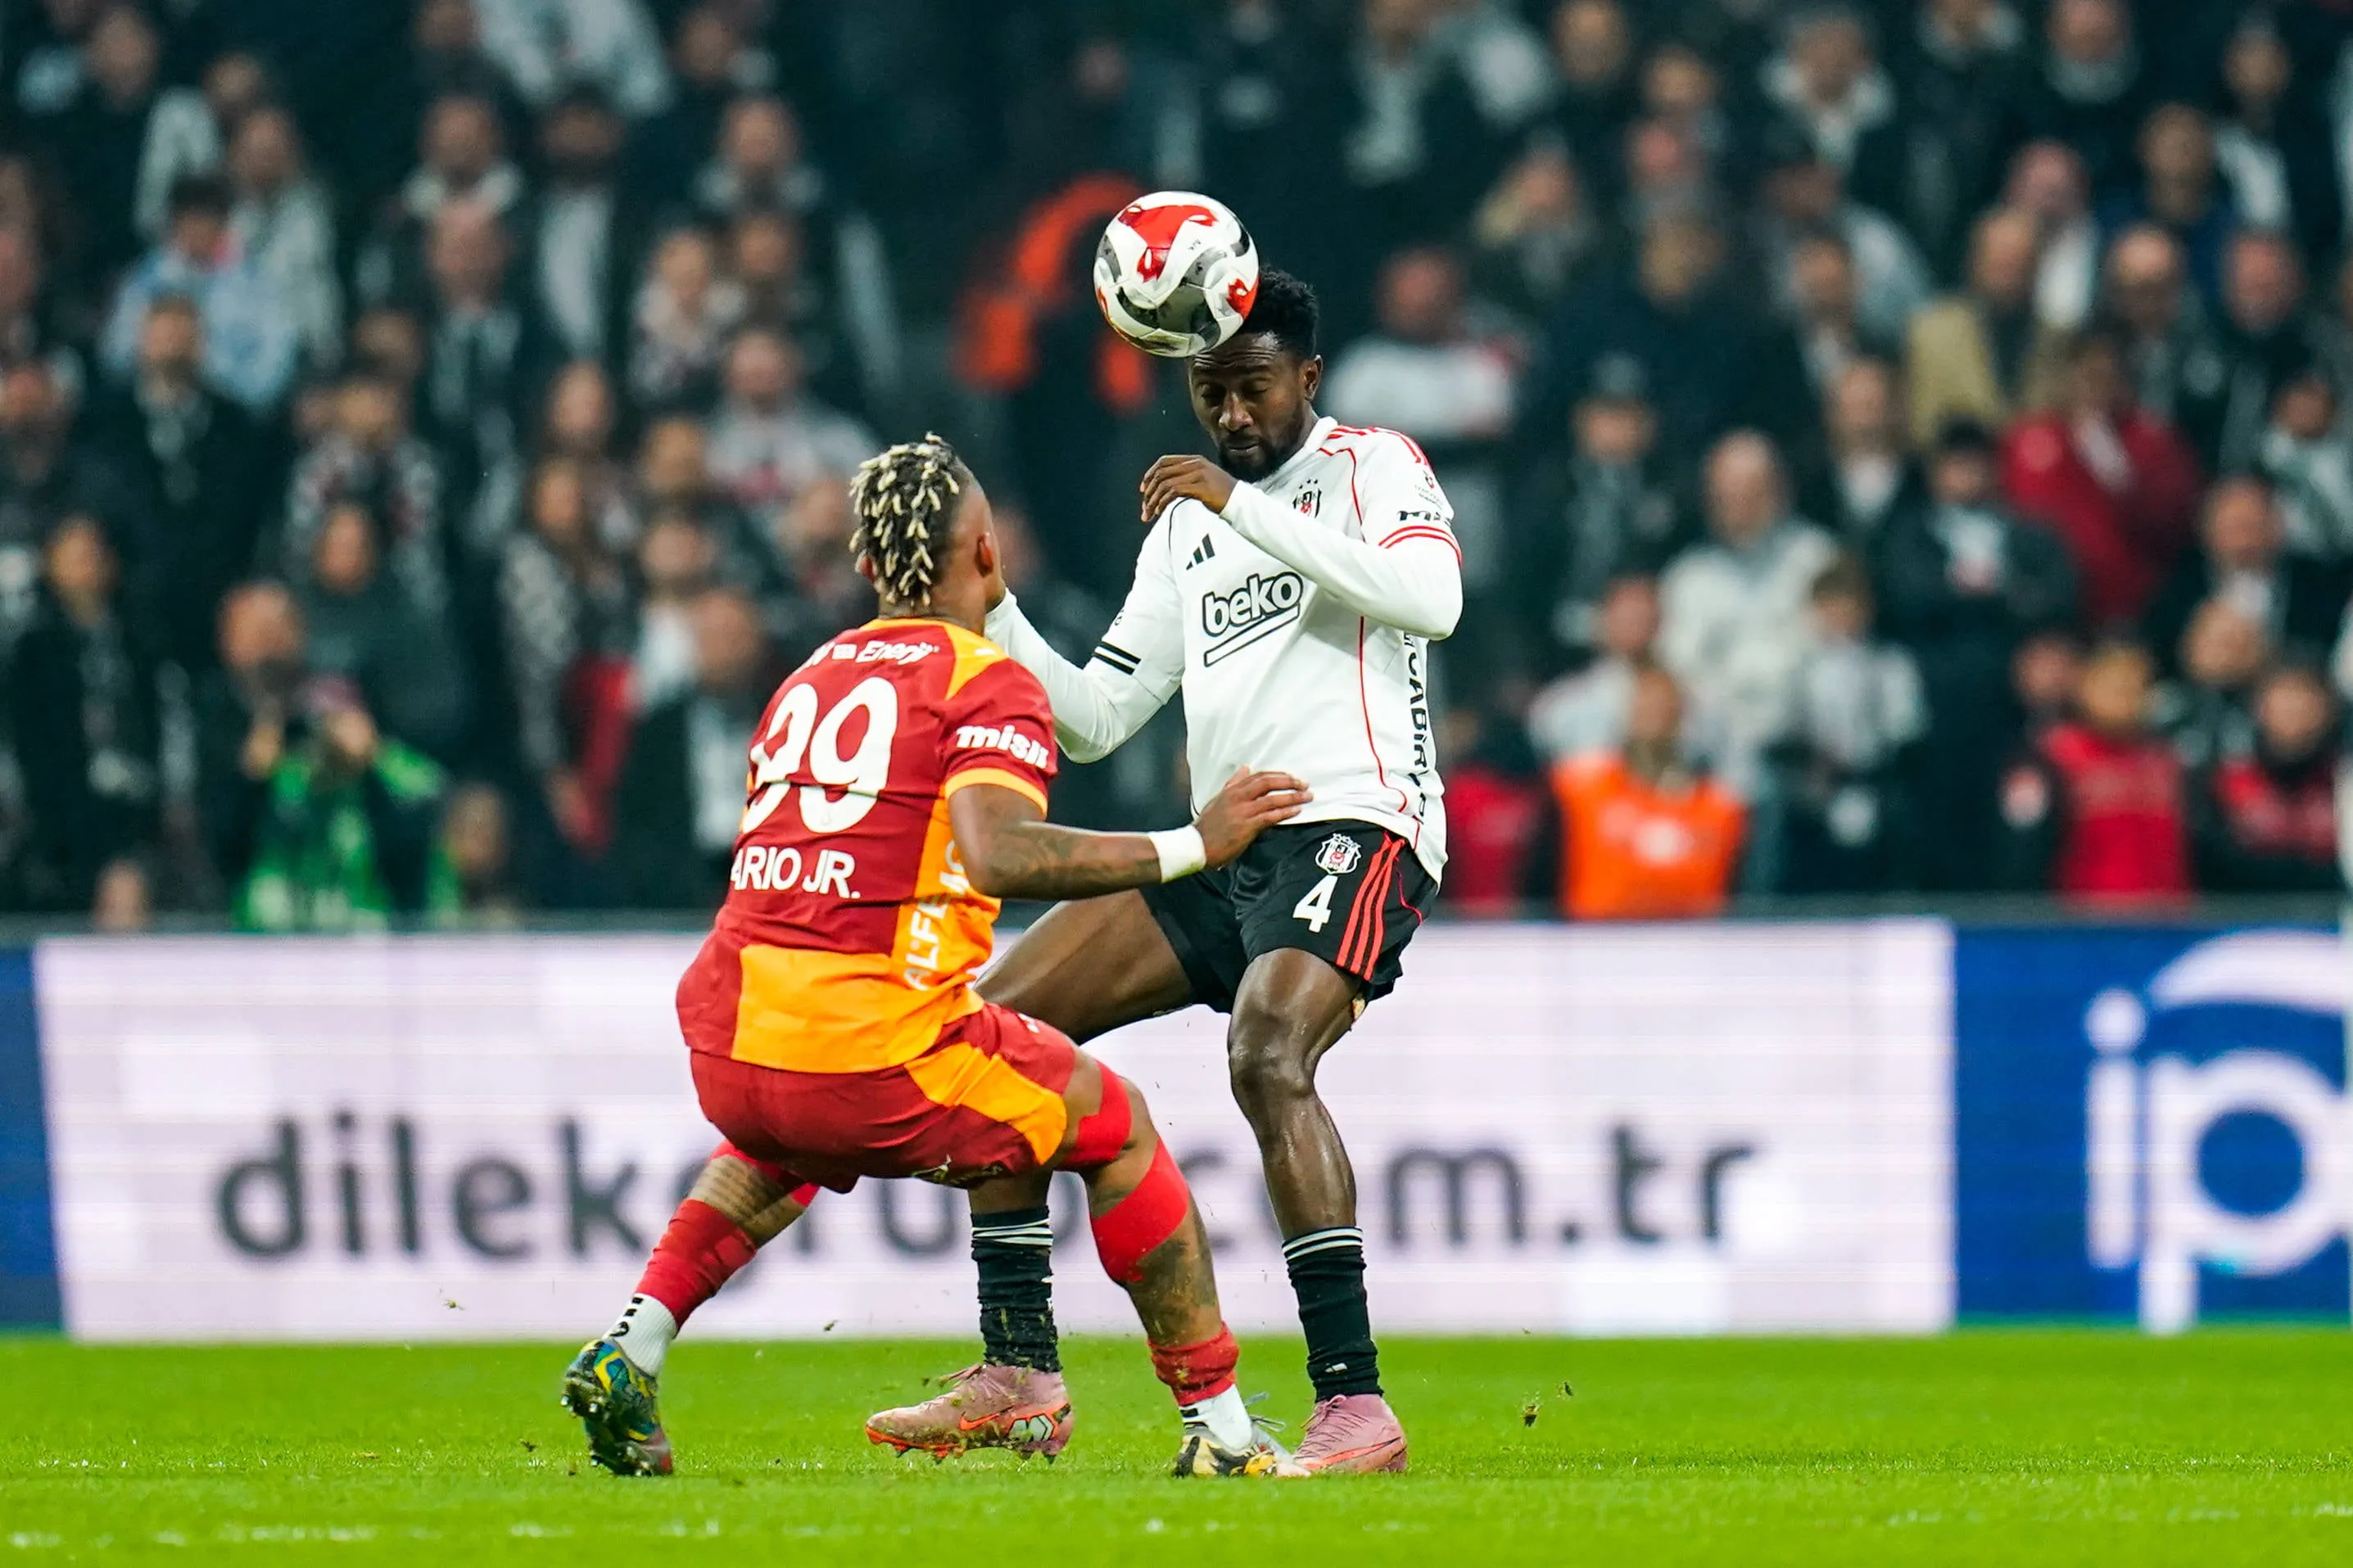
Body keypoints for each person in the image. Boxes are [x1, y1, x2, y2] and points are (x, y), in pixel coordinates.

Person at [563, 435, 1310, 1481]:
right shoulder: (985, 679)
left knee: (801, 1129)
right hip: (875, 1053)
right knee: (1118, 1126)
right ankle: (1224, 1432)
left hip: (734, 1042)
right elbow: (995, 850)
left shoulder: (806, 678)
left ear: (868, 569)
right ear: (989, 555)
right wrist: (1198, 843)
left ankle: (632, 1344)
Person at [1548, 661, 1744, 920]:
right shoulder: (1582, 788)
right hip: (1597, 942)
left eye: (1665, 709)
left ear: (1682, 717)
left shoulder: (1718, 807)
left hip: (1693, 944)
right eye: (1646, 707)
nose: (1656, 718)